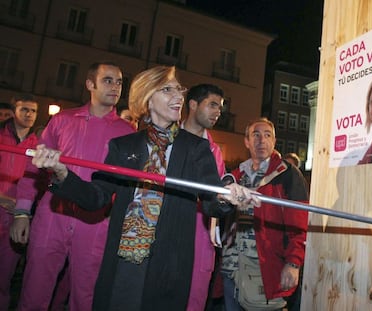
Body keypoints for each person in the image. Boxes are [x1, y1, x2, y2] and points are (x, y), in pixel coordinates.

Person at [28, 65, 259, 311]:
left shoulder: (195, 149)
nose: (179, 96)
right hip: (123, 263)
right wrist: (62, 173)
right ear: (148, 98)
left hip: (169, 266)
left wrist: (228, 197)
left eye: (179, 90)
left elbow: (212, 201)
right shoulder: (124, 146)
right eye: (168, 90)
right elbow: (96, 197)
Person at [10, 61, 135, 311]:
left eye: (119, 81)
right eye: (108, 80)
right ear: (90, 84)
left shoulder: (127, 131)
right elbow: (34, 168)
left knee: (86, 297)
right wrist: (22, 212)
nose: (116, 87)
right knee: (34, 291)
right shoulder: (61, 120)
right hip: (52, 215)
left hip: (96, 222)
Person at [221, 117, 309, 311]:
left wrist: (293, 263)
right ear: (246, 141)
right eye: (256, 135)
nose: (262, 140)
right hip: (231, 271)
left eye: (267, 135)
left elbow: (300, 226)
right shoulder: (235, 175)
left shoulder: (287, 175)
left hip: (264, 272)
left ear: (274, 142)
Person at [181, 83, 226, 311]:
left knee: (195, 300)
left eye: (220, 107)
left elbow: (216, 199)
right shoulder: (167, 140)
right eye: (212, 105)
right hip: (165, 232)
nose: (218, 111)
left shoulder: (215, 151)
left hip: (200, 236)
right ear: (193, 104)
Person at [0, 94, 38, 311]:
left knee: (5, 275)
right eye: (24, 109)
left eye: (33, 111)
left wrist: (25, 208)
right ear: (14, 111)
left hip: (18, 217)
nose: (29, 114)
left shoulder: (39, 144)